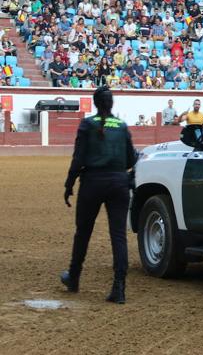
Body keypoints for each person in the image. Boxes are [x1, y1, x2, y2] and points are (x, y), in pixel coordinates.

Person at [60, 87, 137, 304]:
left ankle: (74, 278)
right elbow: (131, 160)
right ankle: (119, 288)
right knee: (118, 236)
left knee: (82, 232)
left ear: (95, 103)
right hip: (119, 183)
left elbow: (78, 159)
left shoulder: (87, 124)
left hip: (93, 183)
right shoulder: (122, 126)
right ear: (111, 104)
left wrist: (69, 184)